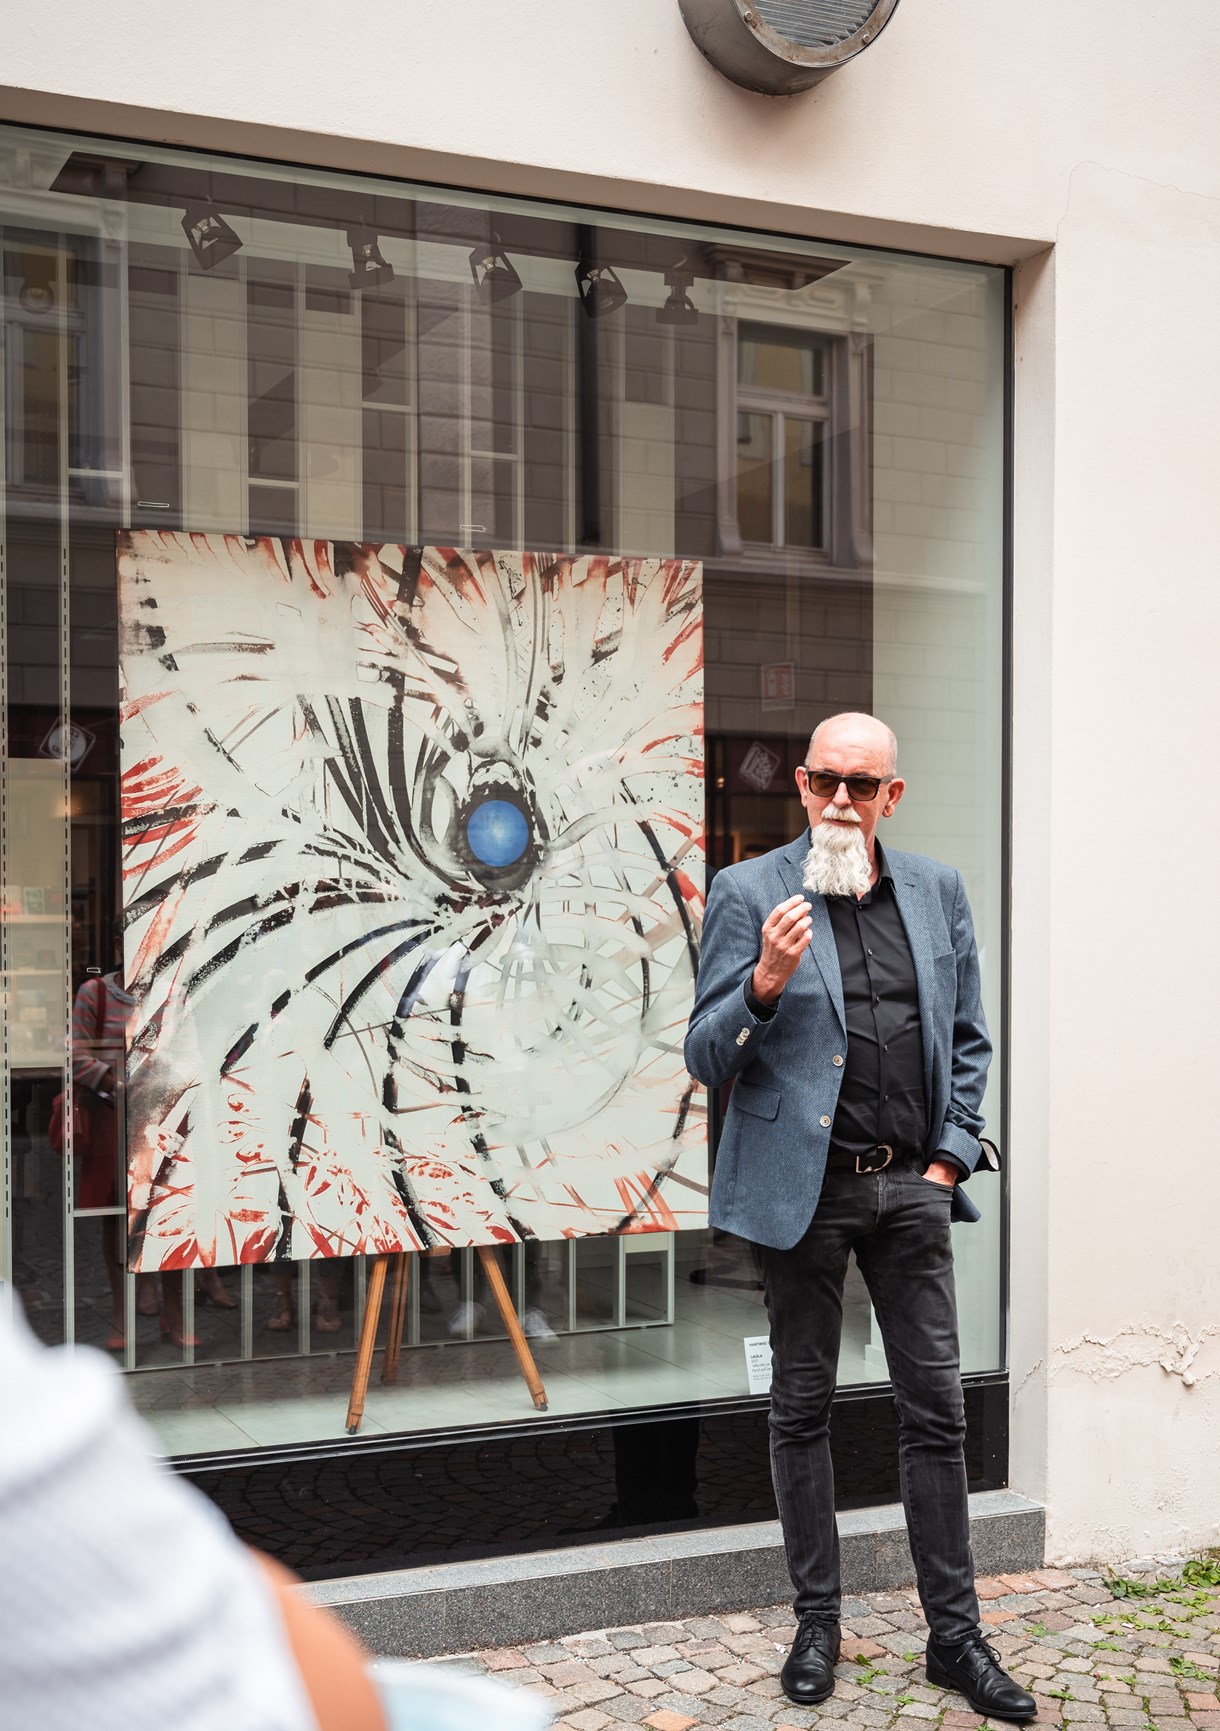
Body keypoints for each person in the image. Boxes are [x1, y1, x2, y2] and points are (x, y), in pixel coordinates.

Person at [684, 712, 1034, 1723]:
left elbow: (967, 1039)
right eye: (824, 778)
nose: (840, 797)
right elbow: (704, 1054)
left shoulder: (935, 891)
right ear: (799, 785)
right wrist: (759, 986)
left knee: (936, 1414)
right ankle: (816, 1625)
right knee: (800, 1410)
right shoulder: (749, 893)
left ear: (892, 796)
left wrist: (947, 1158)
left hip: (910, 1193)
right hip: (806, 1199)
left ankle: (954, 1638)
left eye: (860, 782)